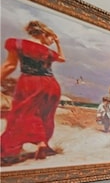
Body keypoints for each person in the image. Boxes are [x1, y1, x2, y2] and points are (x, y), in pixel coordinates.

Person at [1, 20, 65, 165]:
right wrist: (58, 44)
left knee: (21, 114)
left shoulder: (17, 44)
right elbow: (62, 58)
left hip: (30, 82)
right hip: (52, 85)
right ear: (43, 34)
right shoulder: (48, 52)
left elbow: (10, 65)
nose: (51, 42)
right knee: (46, 116)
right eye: (50, 38)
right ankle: (43, 143)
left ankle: (9, 152)